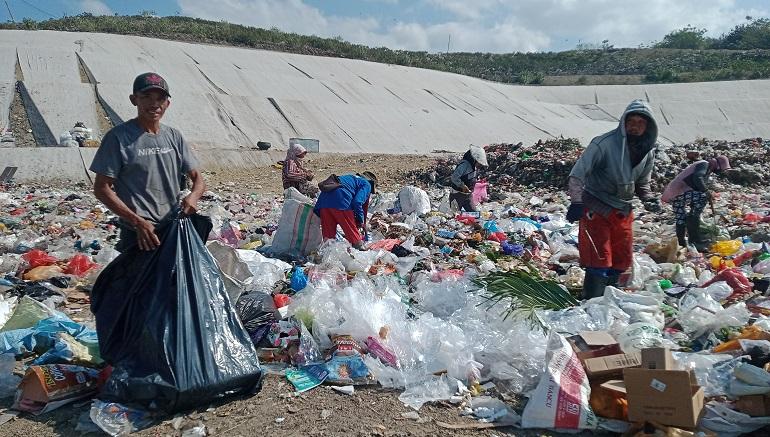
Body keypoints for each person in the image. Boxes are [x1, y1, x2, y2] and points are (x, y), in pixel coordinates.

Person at [90, 72, 205, 252]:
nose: (154, 104)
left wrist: (193, 197)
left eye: (160, 99)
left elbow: (197, 178)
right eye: (146, 97)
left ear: (168, 103)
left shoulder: (174, 136)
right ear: (134, 99)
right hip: (138, 234)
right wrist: (137, 222)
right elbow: (101, 188)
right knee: (138, 280)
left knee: (174, 278)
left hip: (171, 228)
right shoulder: (118, 138)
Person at [566, 99, 662, 299]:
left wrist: (649, 199)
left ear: (648, 126)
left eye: (640, 123)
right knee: (598, 258)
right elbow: (577, 174)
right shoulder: (604, 144)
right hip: (596, 208)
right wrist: (576, 202)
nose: (635, 127)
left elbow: (642, 182)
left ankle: (610, 298)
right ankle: (592, 301)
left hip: (623, 211)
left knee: (621, 258)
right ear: (623, 123)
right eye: (631, 121)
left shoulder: (647, 152)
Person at [662, 155, 730, 249]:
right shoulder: (704, 164)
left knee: (680, 218)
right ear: (717, 164)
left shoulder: (705, 167)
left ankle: (682, 243)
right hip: (679, 192)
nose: (719, 171)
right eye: (720, 168)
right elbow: (697, 178)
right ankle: (694, 238)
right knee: (702, 198)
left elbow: (695, 183)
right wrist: (706, 192)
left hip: (673, 194)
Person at [314, 172, 377, 250]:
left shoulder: (349, 178)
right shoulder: (366, 184)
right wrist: (360, 220)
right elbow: (357, 202)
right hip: (341, 201)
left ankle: (327, 257)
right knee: (352, 234)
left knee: (328, 240)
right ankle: (361, 252)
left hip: (323, 203)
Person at [449, 145, 487, 212]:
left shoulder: (475, 167)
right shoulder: (464, 165)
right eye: (479, 163)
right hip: (457, 194)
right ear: (474, 160)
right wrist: (462, 186)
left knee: (474, 214)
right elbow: (454, 177)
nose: (479, 166)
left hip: (468, 196)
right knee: (455, 215)